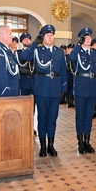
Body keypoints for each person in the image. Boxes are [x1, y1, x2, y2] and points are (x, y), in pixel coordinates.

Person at [22, 24, 67, 157]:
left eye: (51, 35)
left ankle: (51, 146)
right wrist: (35, 43)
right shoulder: (37, 50)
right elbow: (24, 56)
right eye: (47, 35)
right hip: (41, 89)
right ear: (42, 37)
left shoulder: (59, 52)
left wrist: (63, 88)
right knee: (42, 118)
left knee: (52, 118)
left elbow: (63, 71)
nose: (50, 37)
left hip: (55, 89)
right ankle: (42, 146)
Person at [68, 27, 96, 154]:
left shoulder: (95, 53)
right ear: (81, 39)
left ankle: (87, 141)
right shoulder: (77, 52)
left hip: (93, 88)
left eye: (89, 37)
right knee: (80, 117)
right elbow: (71, 58)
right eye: (85, 37)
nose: (88, 39)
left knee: (89, 116)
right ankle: (80, 142)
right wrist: (78, 44)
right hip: (81, 88)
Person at [0, 25, 19, 97]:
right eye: (10, 33)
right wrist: (7, 94)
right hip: (3, 95)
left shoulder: (5, 50)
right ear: (3, 35)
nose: (12, 36)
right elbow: (0, 76)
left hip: (12, 92)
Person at [65, 43, 75, 108]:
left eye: (72, 48)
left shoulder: (74, 57)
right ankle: (68, 101)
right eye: (70, 48)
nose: (71, 50)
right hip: (67, 74)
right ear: (68, 49)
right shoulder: (66, 57)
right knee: (68, 88)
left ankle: (71, 101)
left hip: (73, 75)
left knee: (72, 88)